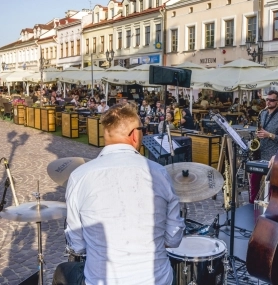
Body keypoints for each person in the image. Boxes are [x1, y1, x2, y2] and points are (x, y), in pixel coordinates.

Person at [52, 103, 185, 285]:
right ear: (134, 134)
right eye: (141, 129)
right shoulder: (160, 173)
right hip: (156, 280)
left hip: (101, 281)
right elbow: (174, 238)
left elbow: (78, 246)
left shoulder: (79, 176)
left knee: (63, 271)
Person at [249, 90, 278, 204]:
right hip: (260, 152)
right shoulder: (262, 113)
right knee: (254, 181)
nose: (268, 102)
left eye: (272, 100)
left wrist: (269, 135)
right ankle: (252, 204)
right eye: (267, 99)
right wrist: (258, 134)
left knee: (272, 186)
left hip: (273, 155)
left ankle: (271, 207)